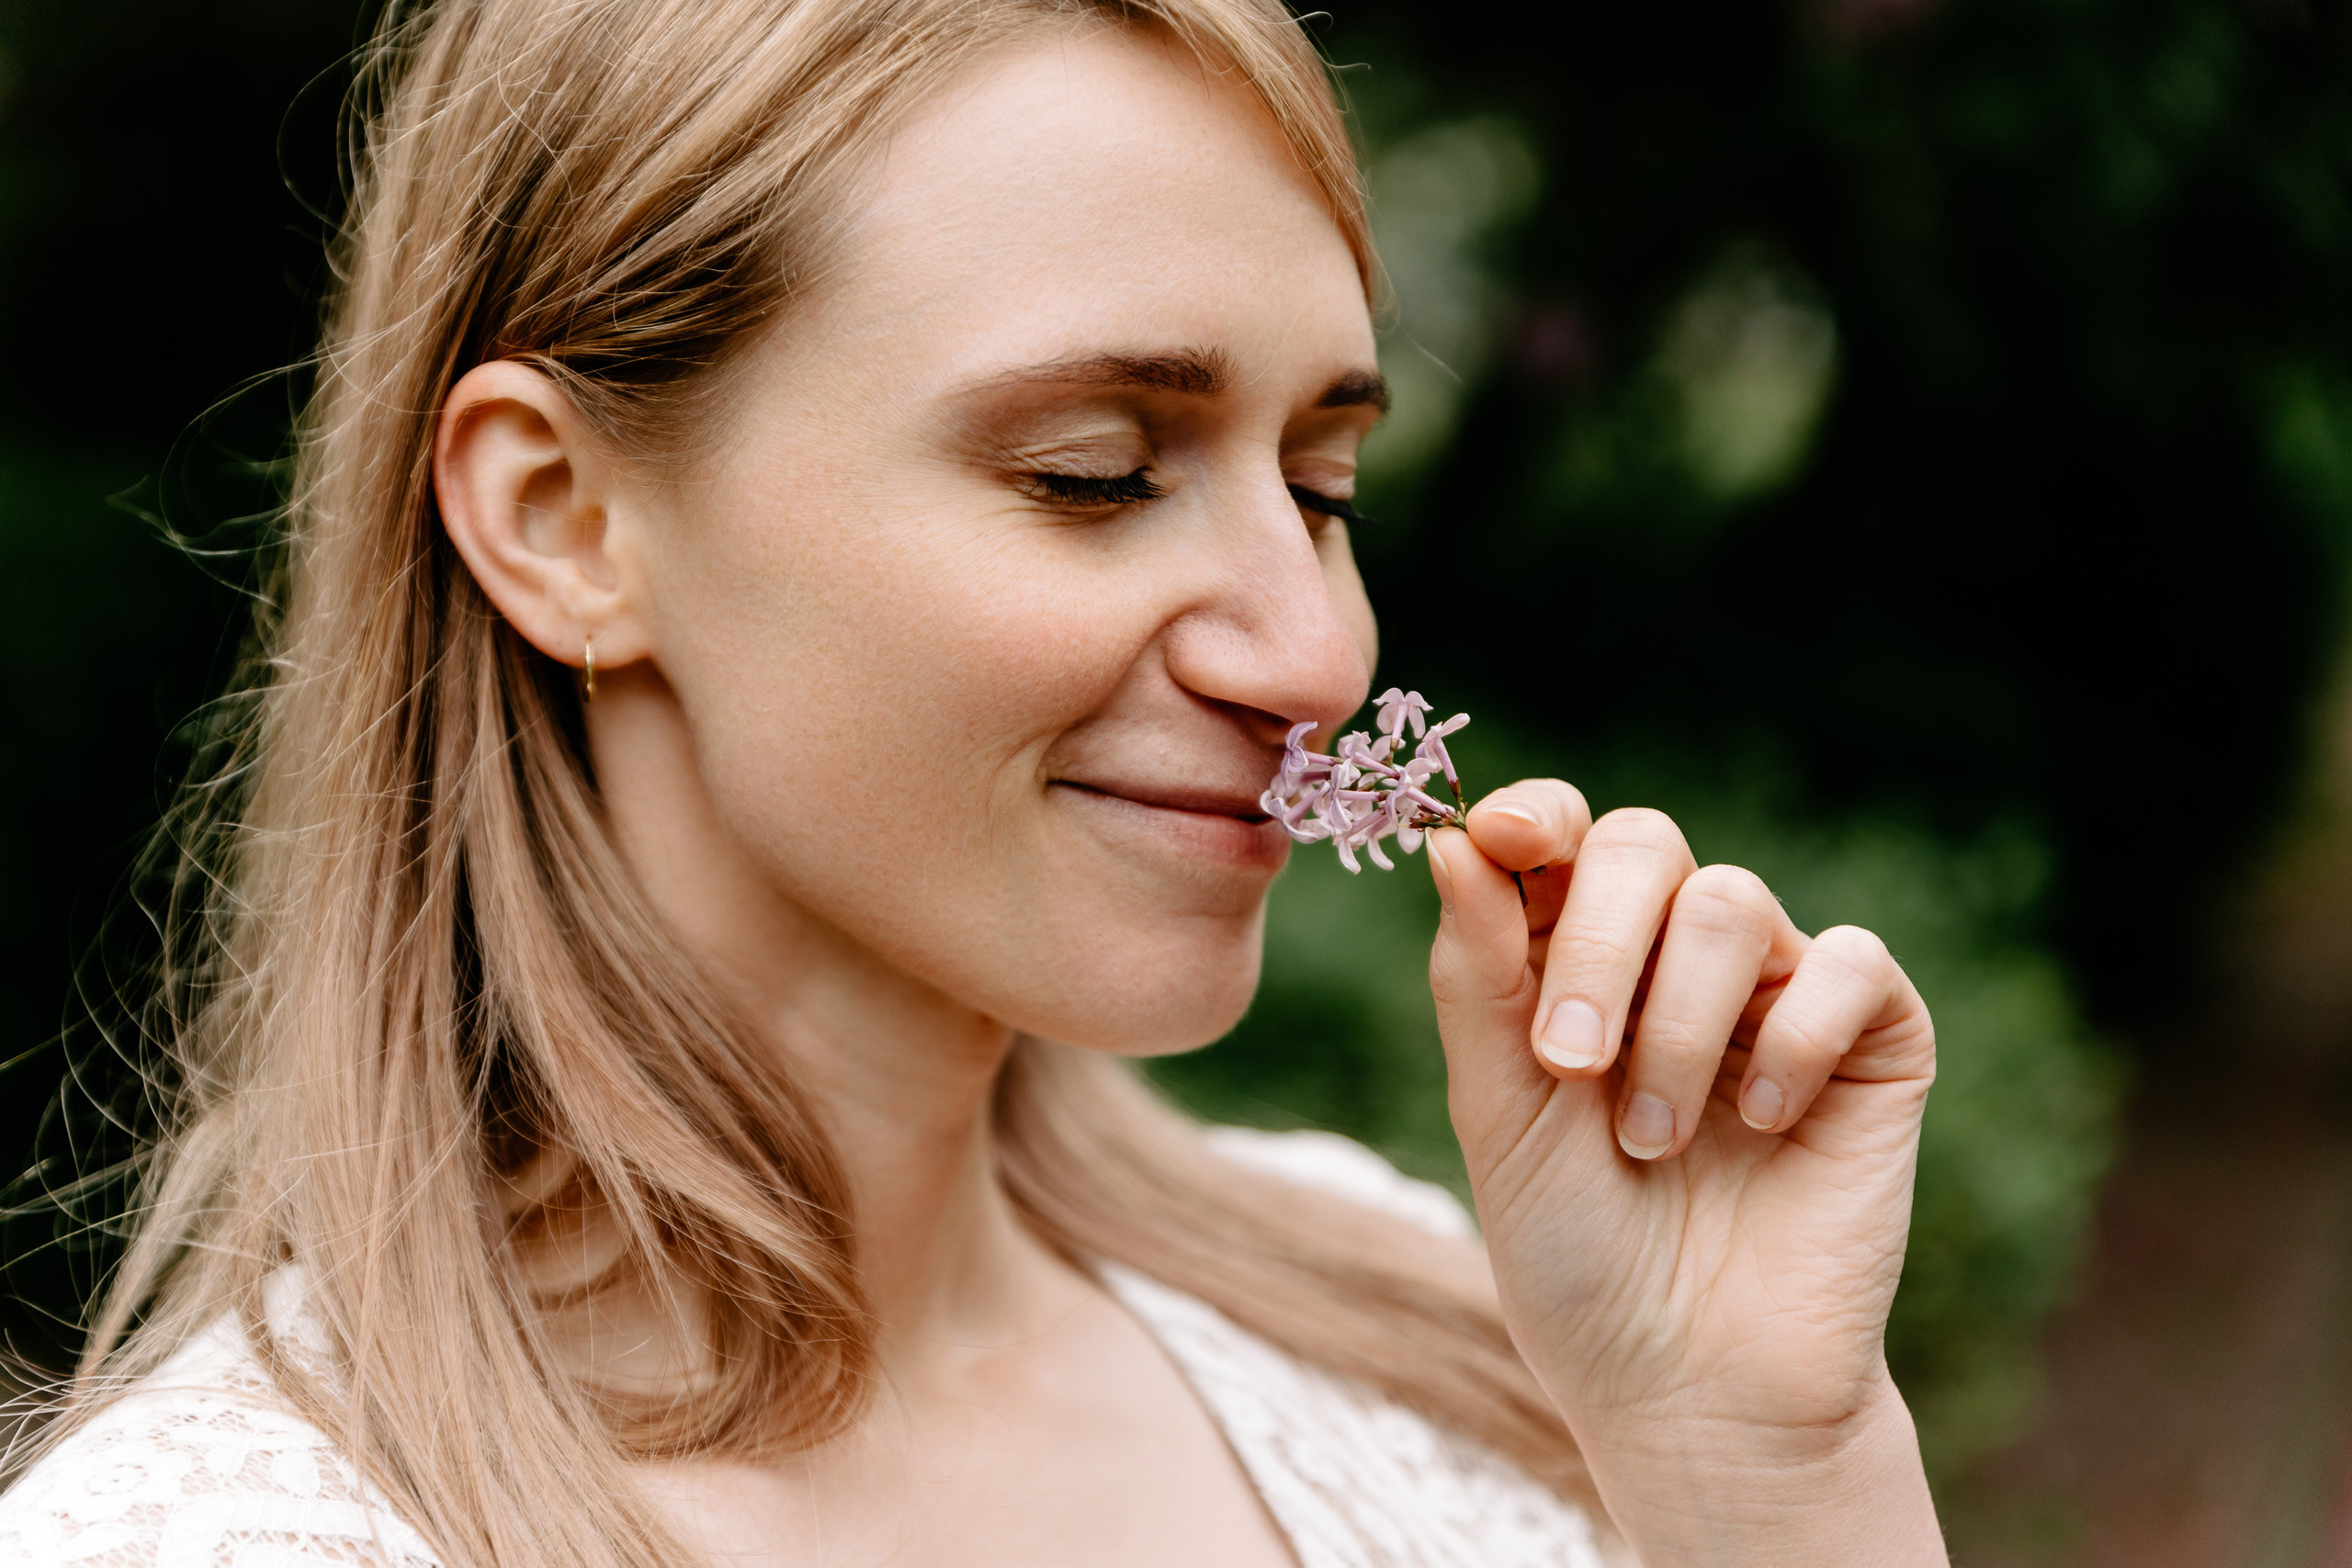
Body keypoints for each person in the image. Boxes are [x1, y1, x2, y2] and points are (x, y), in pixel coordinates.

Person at [0, 1, 1945, 1563]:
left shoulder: (1431, 1332)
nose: (1310, 656)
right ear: (565, 517)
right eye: (1092, 470)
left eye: (1320, 485)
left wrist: (1756, 1483)